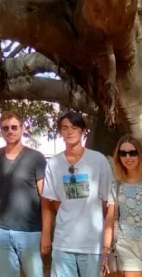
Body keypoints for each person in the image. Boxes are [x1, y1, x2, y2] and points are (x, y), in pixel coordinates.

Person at [42, 112, 113, 276]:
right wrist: (47, 234)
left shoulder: (98, 161)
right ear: (60, 132)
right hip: (63, 244)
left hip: (92, 244)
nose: (70, 132)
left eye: (75, 127)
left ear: (83, 131)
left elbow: (106, 203)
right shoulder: (54, 163)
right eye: (65, 128)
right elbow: (51, 203)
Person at [0, 112, 47, 277]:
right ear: (1, 131)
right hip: (3, 231)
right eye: (5, 128)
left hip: (30, 232)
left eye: (14, 127)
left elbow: (45, 198)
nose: (10, 131)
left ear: (22, 129)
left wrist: (46, 232)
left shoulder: (36, 158)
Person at [103, 135, 142, 276]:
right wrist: (105, 251)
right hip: (127, 247)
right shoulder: (116, 186)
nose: (128, 157)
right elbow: (110, 218)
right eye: (123, 153)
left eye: (132, 152)